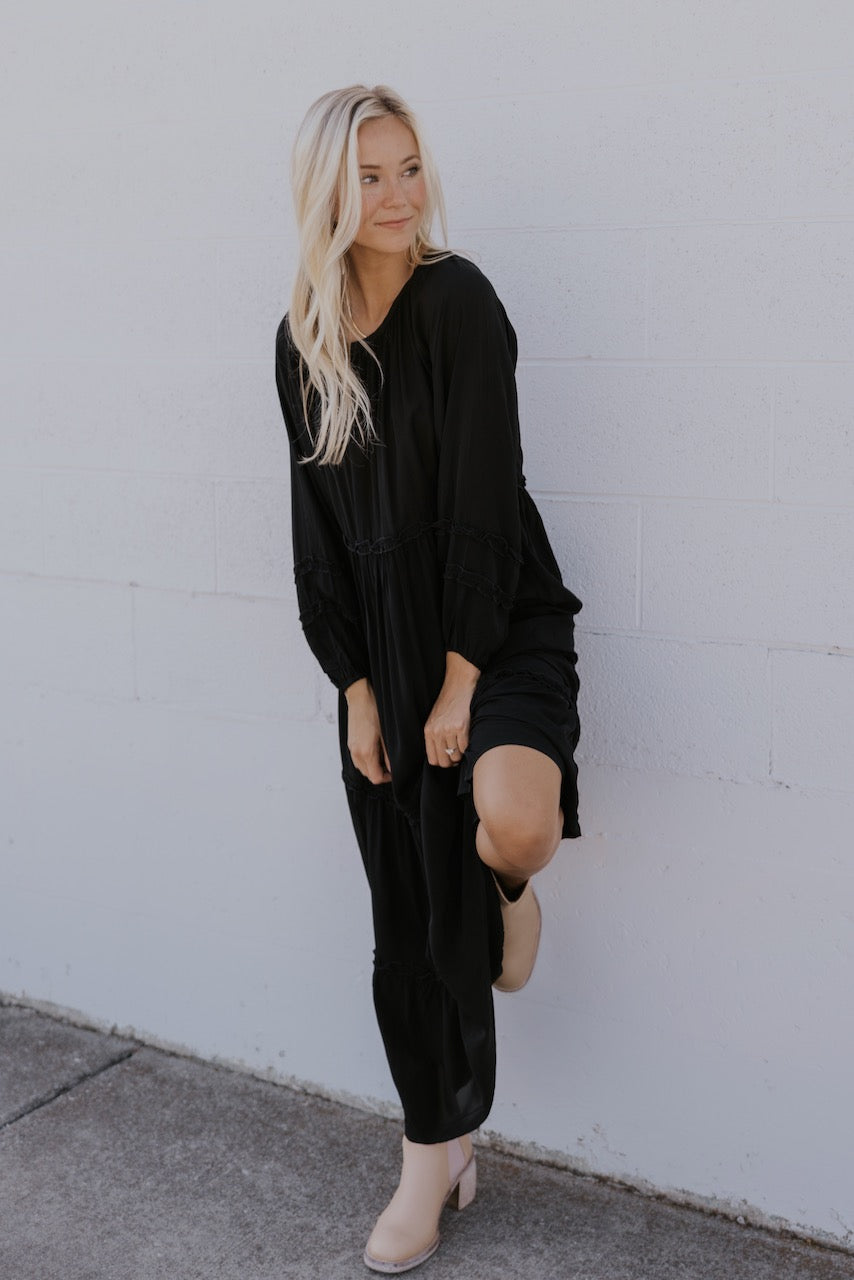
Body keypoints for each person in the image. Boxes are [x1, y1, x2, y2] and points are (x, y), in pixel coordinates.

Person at [274, 84, 583, 1274]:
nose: (398, 196)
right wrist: (355, 686)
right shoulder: (301, 335)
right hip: (386, 659)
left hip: (495, 619)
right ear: (325, 192)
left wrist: (457, 679)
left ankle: (507, 886)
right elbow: (313, 530)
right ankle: (433, 1153)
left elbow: (481, 505)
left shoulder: (461, 302)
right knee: (404, 914)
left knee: (505, 819)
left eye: (409, 168)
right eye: (370, 176)